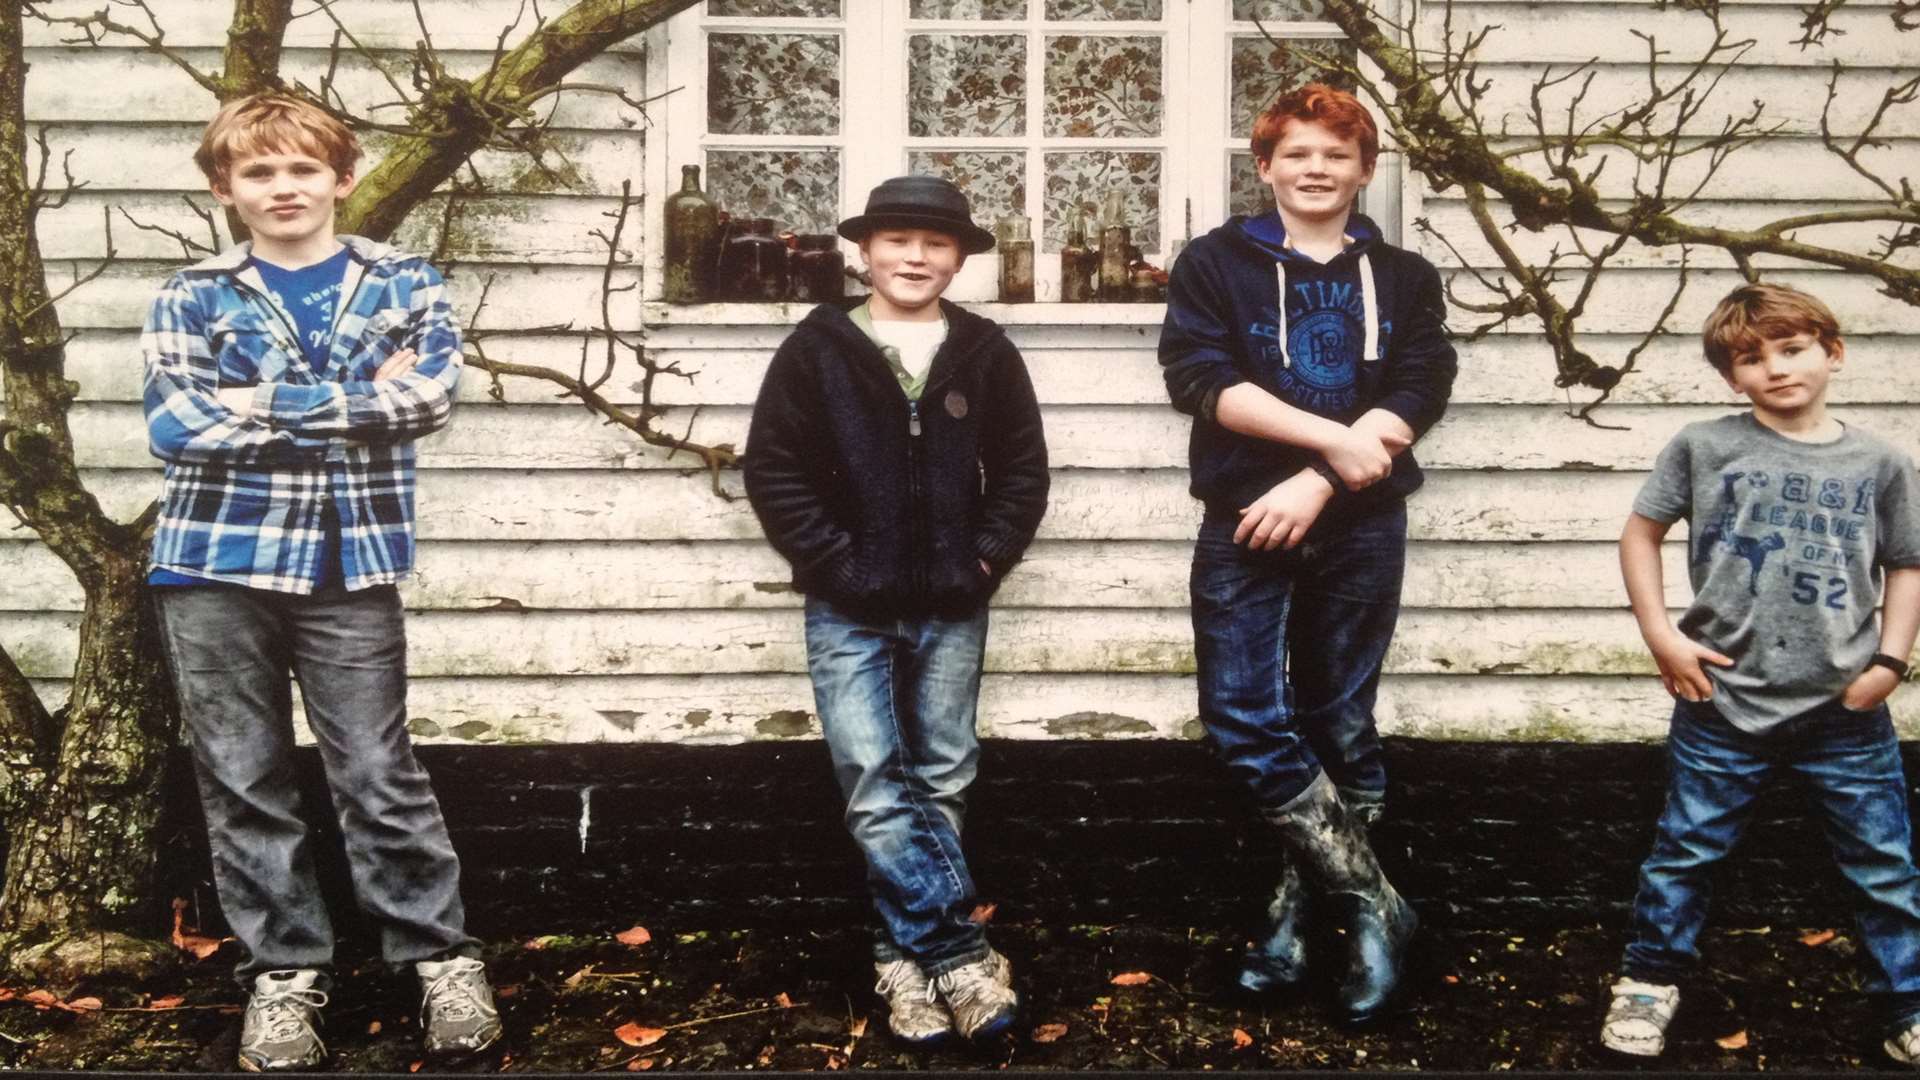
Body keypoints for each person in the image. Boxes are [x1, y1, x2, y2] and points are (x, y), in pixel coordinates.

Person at [142, 94, 500, 1071]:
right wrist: (352, 404)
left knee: (379, 774)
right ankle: (284, 975)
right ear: (226, 191)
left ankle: (440, 960)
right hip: (214, 566)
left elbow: (425, 400)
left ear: (342, 178)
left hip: (351, 563)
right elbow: (177, 428)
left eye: (302, 169)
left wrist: (259, 400)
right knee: (244, 780)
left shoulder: (403, 283)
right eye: (257, 173)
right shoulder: (192, 295)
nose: (282, 188)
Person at [1158, 82, 1457, 1023]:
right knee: (1245, 715)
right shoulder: (1216, 262)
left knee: (1340, 717)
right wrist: (1325, 443)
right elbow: (1198, 377)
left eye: (1336, 153)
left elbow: (1422, 380)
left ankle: (1300, 919)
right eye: (1297, 153)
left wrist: (1326, 478)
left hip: (1360, 519)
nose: (1316, 169)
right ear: (1266, 167)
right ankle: (1376, 901)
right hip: (1246, 517)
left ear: (1366, 169)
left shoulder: (1404, 276)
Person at [743, 176, 1049, 1045]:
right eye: (897, 241)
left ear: (960, 258)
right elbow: (775, 470)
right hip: (848, 605)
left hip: (954, 602)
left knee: (943, 772)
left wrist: (981, 559)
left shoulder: (984, 352)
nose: (915, 257)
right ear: (864, 251)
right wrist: (838, 563)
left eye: (936, 244)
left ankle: (900, 958)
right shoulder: (819, 348)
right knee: (873, 779)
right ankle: (955, 951)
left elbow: (1022, 476)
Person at [1601, 282, 1920, 1064]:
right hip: (1721, 698)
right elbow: (1638, 535)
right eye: (1752, 358)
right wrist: (1660, 637)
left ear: (1832, 352)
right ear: (1731, 378)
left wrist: (1890, 660)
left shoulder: (1879, 462)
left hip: (1846, 709)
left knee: (1884, 865)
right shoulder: (1706, 446)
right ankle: (1647, 983)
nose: (1776, 368)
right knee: (1685, 850)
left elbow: (1909, 564)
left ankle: (1907, 1003)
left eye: (1792, 348)